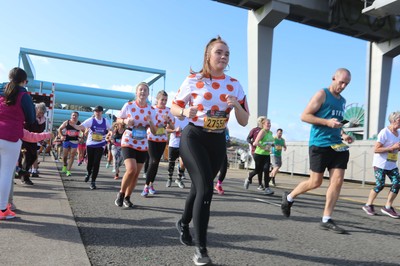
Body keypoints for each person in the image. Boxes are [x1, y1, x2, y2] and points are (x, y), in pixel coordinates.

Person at [171, 36, 249, 265]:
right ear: (208, 55)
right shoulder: (193, 80)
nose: (224, 56)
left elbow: (244, 121)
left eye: (227, 54)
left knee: (199, 189)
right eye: (219, 52)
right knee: (206, 189)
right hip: (194, 136)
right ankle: (201, 249)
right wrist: (186, 113)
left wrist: (235, 105)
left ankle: (184, 223)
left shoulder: (235, 84)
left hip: (217, 141)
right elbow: (175, 107)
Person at [281, 68, 353, 234]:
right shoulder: (322, 94)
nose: (343, 86)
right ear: (333, 78)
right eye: (341, 82)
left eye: (346, 84)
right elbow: (305, 116)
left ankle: (326, 219)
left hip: (337, 145)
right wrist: (327, 123)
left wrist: (344, 134)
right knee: (315, 182)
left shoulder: (342, 101)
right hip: (319, 144)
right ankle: (289, 197)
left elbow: (337, 123)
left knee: (338, 181)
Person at [114, 82, 157, 208]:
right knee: (131, 169)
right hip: (128, 139)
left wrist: (150, 122)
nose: (143, 92)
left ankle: (127, 197)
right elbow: (118, 120)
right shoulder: (129, 105)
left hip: (142, 142)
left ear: (148, 94)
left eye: (145, 90)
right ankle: (121, 194)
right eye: (140, 90)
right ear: (136, 92)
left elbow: (154, 131)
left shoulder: (151, 110)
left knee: (136, 173)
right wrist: (125, 121)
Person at [0, 67, 36, 220]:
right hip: (11, 137)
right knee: (6, 173)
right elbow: (31, 118)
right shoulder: (23, 95)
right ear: (23, 80)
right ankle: (2, 209)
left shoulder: (1, 90)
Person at [362, 111, 400, 218]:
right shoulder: (384, 132)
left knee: (397, 183)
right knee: (380, 185)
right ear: (393, 120)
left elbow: (397, 148)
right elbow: (376, 149)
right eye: (399, 120)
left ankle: (387, 207)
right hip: (380, 164)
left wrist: (397, 148)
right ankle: (368, 205)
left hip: (392, 164)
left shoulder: (399, 133)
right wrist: (391, 148)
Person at [140, 90, 175, 196]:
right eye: (162, 100)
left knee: (156, 163)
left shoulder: (169, 111)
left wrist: (168, 121)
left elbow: (172, 128)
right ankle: (146, 186)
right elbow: (145, 123)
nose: (164, 102)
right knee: (153, 161)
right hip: (151, 138)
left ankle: (151, 184)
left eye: (165, 100)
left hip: (162, 140)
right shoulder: (151, 109)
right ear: (157, 99)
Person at [72, 106, 111, 189]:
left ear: (101, 112)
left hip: (100, 145)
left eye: (99, 111)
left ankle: (93, 181)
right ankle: (89, 173)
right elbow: (81, 126)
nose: (97, 112)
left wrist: (110, 134)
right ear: (94, 112)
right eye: (96, 111)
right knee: (90, 163)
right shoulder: (91, 120)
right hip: (90, 145)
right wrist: (73, 125)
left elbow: (111, 129)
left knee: (96, 163)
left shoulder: (105, 121)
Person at [244, 117, 275, 195]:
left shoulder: (270, 133)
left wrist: (272, 145)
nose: (269, 125)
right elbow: (255, 143)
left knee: (266, 170)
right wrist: (264, 147)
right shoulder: (262, 132)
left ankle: (267, 188)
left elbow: (270, 142)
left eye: (270, 123)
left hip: (267, 155)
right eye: (268, 123)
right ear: (263, 124)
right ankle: (249, 177)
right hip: (259, 154)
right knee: (258, 170)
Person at [18, 102, 46, 184]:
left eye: (42, 113)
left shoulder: (42, 120)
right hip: (25, 139)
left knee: (33, 157)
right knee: (22, 157)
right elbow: (25, 128)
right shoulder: (30, 117)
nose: (41, 114)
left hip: (33, 140)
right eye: (40, 112)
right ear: (36, 110)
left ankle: (24, 174)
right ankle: (24, 176)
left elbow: (40, 131)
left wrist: (41, 139)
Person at [166, 116, 188, 188]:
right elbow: (166, 129)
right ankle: (169, 178)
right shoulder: (173, 119)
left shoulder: (188, 119)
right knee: (171, 163)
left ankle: (178, 179)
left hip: (184, 145)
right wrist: (175, 130)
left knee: (183, 163)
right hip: (173, 144)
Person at [58, 111, 81, 177]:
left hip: (75, 141)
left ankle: (68, 170)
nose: (74, 117)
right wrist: (62, 135)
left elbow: (83, 130)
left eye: (76, 116)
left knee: (72, 155)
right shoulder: (67, 122)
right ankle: (65, 165)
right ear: (71, 116)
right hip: (66, 140)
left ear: (77, 117)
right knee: (65, 156)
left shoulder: (79, 123)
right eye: (73, 115)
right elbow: (59, 129)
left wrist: (81, 137)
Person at [245, 117, 264, 189]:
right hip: (255, 151)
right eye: (263, 122)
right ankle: (258, 183)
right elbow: (248, 138)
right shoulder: (254, 130)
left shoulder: (265, 131)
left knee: (260, 168)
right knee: (259, 168)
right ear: (260, 122)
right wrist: (252, 142)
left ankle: (259, 184)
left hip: (263, 151)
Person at [214, 128, 231, 195]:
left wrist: (229, 144)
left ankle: (218, 185)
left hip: (223, 152)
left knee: (224, 170)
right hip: (213, 151)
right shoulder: (215, 127)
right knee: (212, 170)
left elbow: (227, 141)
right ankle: (206, 184)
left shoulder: (226, 129)